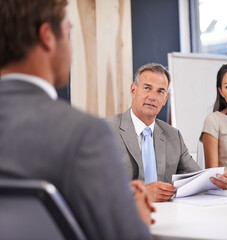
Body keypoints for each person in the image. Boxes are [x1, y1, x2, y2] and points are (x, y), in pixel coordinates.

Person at [0, 0, 153, 239]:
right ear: (47, 35)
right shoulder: (84, 133)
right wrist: (138, 219)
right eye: (69, 31)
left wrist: (115, 198)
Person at [106, 63, 227, 202]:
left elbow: (197, 179)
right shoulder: (105, 130)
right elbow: (90, 185)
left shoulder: (173, 136)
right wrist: (139, 192)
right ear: (133, 90)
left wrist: (219, 182)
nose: (152, 97)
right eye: (147, 88)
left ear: (165, 99)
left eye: (160, 91)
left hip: (169, 215)